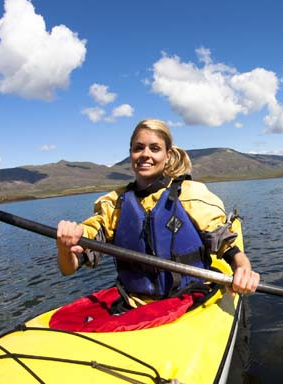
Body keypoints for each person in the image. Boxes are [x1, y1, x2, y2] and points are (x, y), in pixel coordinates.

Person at [56, 119, 259, 309]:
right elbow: (69, 268)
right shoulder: (114, 205)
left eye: (154, 148)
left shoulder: (190, 195)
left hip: (191, 297)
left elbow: (231, 251)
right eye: (138, 148)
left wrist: (243, 270)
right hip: (133, 303)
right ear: (131, 154)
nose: (145, 154)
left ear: (168, 155)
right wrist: (65, 247)